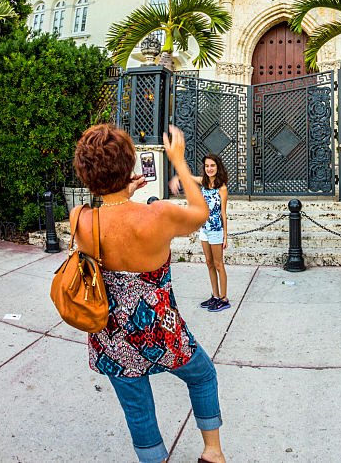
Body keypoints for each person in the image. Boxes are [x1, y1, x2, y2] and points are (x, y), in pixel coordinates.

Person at [74, 124, 225, 463]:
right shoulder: (158, 215)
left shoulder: (79, 219)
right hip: (160, 329)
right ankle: (213, 452)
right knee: (202, 376)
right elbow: (201, 213)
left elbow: (108, 211)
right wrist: (180, 162)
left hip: (109, 334)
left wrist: (121, 191)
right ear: (129, 165)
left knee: (138, 412)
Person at [172, 154, 232, 312]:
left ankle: (224, 298)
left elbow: (223, 214)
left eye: (212, 165)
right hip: (204, 229)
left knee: (219, 264)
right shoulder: (204, 182)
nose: (209, 168)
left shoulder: (222, 188)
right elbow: (188, 177)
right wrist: (178, 176)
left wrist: (225, 236)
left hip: (216, 230)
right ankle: (215, 295)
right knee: (209, 262)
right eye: (207, 166)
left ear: (217, 167)